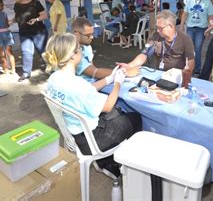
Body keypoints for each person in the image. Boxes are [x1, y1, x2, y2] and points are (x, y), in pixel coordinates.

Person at [44, 33, 141, 177]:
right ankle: (113, 163)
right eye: (79, 49)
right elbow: (107, 106)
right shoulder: (78, 85)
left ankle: (106, 162)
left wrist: (109, 79)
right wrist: (118, 83)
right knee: (135, 118)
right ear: (72, 56)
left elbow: (88, 90)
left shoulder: (54, 79)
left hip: (74, 135)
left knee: (114, 115)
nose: (82, 51)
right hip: (93, 140)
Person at [118, 10, 195, 72]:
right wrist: (129, 66)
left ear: (171, 26)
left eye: (160, 28)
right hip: (159, 73)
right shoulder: (155, 36)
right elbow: (144, 54)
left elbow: (191, 62)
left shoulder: (185, 39)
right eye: (157, 27)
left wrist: (183, 76)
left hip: (178, 75)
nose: (158, 31)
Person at [13, 0, 49, 82]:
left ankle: (52, 68)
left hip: (38, 31)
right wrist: (11, 21)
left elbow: (44, 15)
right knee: (26, 52)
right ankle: (26, 73)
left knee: (43, 51)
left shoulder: (35, 3)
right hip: (24, 33)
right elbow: (18, 17)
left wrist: (36, 19)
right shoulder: (17, 5)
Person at [180, 0, 213, 74]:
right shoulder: (190, 1)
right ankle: (187, 65)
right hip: (190, 27)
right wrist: (181, 26)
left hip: (201, 28)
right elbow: (185, 14)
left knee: (198, 48)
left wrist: (210, 28)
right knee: (189, 48)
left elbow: (211, 16)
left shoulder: (207, 2)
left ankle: (197, 69)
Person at [72, 17, 113, 82]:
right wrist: (122, 72)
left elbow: (93, 68)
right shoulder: (71, 52)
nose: (92, 37)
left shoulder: (87, 47)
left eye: (92, 34)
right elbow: (95, 73)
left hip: (92, 82)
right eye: (88, 35)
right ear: (77, 34)